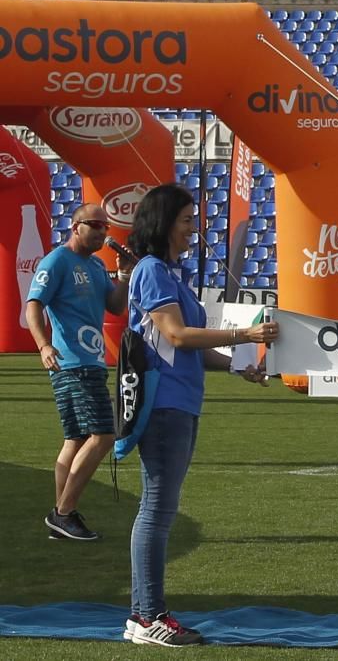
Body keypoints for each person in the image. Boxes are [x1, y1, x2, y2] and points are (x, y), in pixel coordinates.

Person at [123, 183, 278, 647]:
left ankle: (145, 613)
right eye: (187, 220)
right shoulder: (152, 271)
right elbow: (176, 336)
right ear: (165, 223)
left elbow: (190, 346)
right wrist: (242, 336)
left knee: (160, 508)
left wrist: (239, 366)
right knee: (157, 509)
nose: (195, 228)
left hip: (182, 400)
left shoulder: (169, 273)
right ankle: (147, 614)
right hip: (165, 401)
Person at [25, 203, 134, 541]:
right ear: (75, 227)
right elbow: (33, 305)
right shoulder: (57, 261)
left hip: (89, 362)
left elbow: (115, 306)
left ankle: (61, 518)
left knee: (75, 438)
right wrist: (44, 345)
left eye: (105, 227)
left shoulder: (98, 265)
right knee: (102, 435)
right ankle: (64, 512)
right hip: (72, 362)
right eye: (95, 225)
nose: (103, 232)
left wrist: (125, 275)